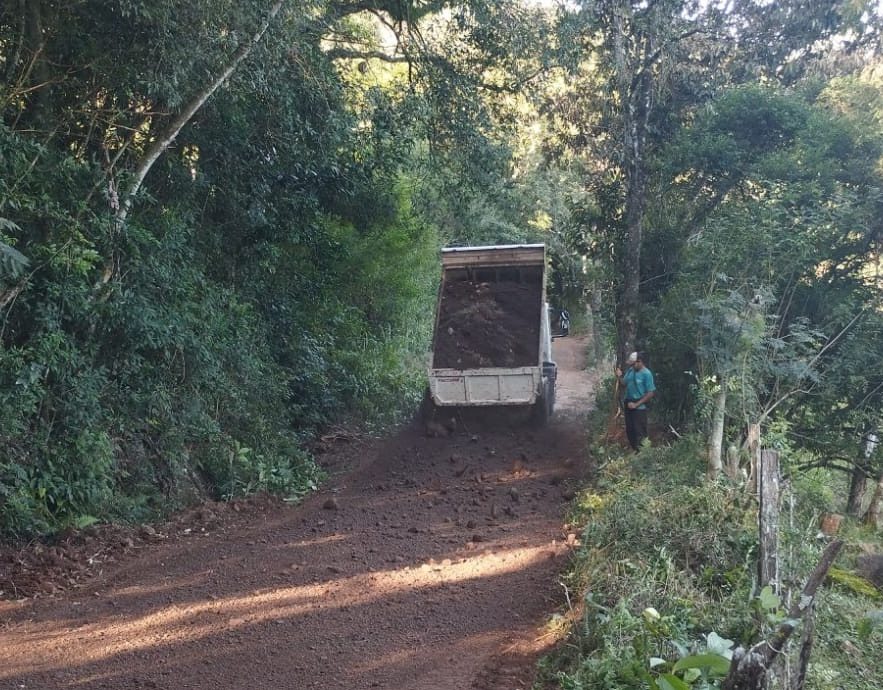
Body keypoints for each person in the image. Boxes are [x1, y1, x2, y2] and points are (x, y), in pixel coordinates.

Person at [615, 352, 656, 451]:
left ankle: (643, 453)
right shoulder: (631, 370)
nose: (632, 366)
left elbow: (650, 393)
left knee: (640, 432)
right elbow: (624, 383)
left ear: (639, 362)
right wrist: (619, 376)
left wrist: (636, 404)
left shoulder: (647, 374)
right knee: (630, 430)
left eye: (633, 364)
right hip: (628, 404)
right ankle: (635, 451)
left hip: (639, 407)